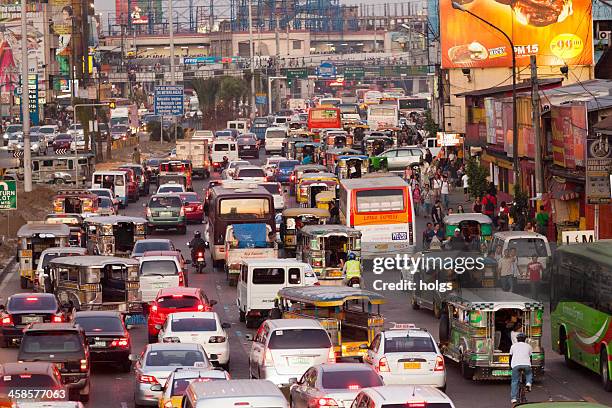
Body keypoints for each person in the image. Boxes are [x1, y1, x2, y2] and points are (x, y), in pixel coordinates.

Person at [510, 332, 533, 404]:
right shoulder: (529, 346)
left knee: (514, 381)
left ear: (517, 339)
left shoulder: (513, 346)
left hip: (516, 365)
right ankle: (528, 383)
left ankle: (513, 398)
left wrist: (510, 366)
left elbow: (510, 357)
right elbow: (530, 357)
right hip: (526, 365)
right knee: (529, 374)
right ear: (525, 339)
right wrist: (530, 365)